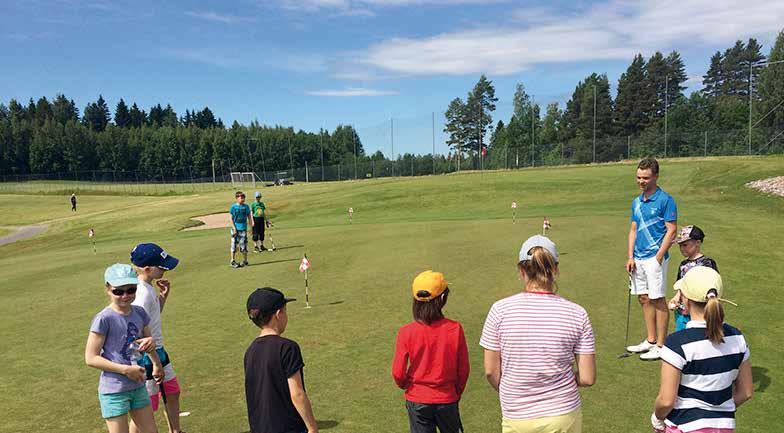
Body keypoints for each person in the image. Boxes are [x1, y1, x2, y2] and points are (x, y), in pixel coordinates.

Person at [481, 235, 595, 433]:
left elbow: (491, 371)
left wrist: (513, 389)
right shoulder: (577, 313)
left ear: (521, 271)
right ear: (555, 269)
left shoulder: (499, 310)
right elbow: (587, 377)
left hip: (517, 416)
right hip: (564, 414)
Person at [652, 266, 752, 433]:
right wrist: (719, 412)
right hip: (725, 428)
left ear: (686, 300)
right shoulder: (737, 338)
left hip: (684, 426)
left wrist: (657, 418)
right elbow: (746, 392)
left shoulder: (677, 343)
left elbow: (666, 400)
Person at [85, 264, 164, 433]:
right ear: (108, 289)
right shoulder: (104, 318)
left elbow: (147, 341)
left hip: (138, 385)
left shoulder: (140, 312)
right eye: (118, 291)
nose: (125, 295)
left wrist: (156, 363)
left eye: (131, 290)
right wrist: (125, 370)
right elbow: (91, 358)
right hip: (114, 390)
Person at [392, 271, 469, 433]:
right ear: (442, 299)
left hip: (418, 399)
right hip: (447, 398)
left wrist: (409, 385)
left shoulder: (406, 332)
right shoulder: (454, 329)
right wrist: (456, 391)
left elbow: (398, 373)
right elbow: (463, 370)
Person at [244, 288, 319, 433]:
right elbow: (297, 394)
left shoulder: (250, 351)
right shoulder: (287, 348)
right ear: (278, 314)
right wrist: (312, 428)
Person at [625, 157, 678, 360]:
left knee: (658, 299)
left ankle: (661, 345)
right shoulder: (636, 202)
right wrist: (630, 256)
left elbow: (671, 230)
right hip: (637, 258)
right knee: (644, 298)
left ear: (655, 176)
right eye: (638, 177)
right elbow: (633, 230)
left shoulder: (666, 200)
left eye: (645, 178)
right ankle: (650, 339)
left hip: (655, 258)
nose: (641, 182)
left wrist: (658, 257)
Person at [129, 243, 183, 433]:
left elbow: (150, 318)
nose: (165, 269)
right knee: (146, 407)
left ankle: (175, 430)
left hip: (158, 351)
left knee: (172, 392)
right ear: (147, 269)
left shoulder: (147, 288)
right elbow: (138, 333)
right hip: (147, 356)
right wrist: (154, 361)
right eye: (161, 266)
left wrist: (163, 297)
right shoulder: (141, 294)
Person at [669, 225, 719, 332]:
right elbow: (682, 286)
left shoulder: (707, 263)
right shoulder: (683, 264)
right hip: (682, 312)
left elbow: (712, 286)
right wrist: (676, 298)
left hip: (701, 313)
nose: (682, 248)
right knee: (682, 339)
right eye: (680, 245)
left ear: (698, 243)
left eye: (685, 245)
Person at [230, 191, 253, 268]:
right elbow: (231, 219)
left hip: (243, 229)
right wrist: (234, 229)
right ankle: (232, 261)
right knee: (234, 245)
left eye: (244, 198)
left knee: (244, 245)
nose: (243, 199)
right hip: (235, 229)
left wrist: (251, 227)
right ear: (237, 198)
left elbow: (249, 217)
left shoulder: (246, 207)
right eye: (241, 198)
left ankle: (245, 261)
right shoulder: (233, 207)